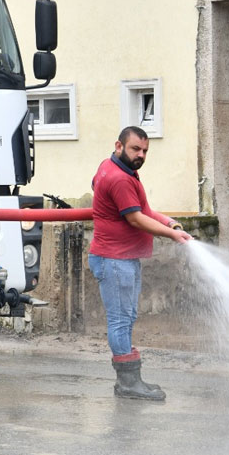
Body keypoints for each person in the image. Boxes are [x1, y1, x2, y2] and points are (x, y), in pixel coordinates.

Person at [89, 126, 194, 401]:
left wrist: (169, 221)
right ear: (119, 146)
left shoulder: (112, 168)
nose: (141, 155)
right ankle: (127, 383)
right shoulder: (119, 178)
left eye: (145, 150)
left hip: (123, 258)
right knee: (121, 320)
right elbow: (135, 218)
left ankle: (131, 380)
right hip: (114, 259)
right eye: (136, 149)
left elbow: (141, 209)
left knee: (126, 317)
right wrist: (172, 234)